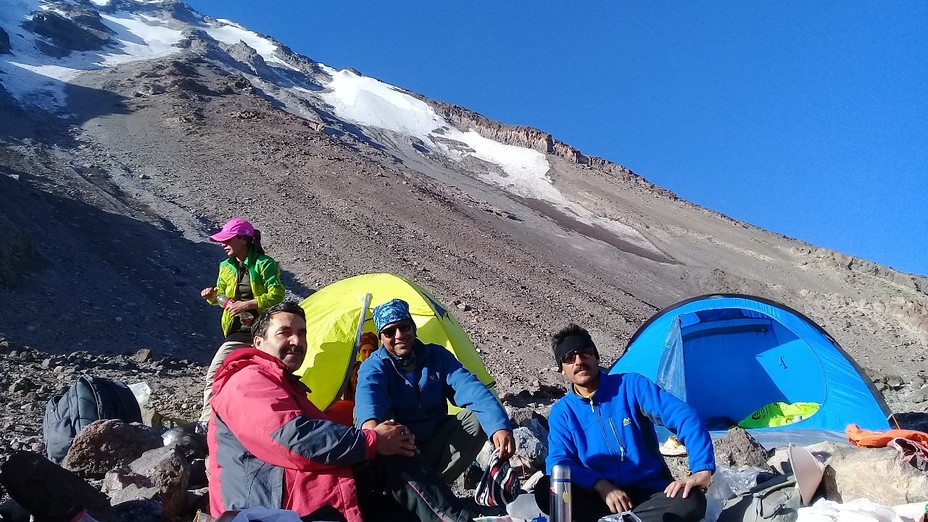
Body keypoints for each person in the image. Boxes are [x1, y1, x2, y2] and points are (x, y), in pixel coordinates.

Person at [207, 302, 482, 522]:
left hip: (297, 488)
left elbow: (470, 387)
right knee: (390, 461)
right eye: (285, 333)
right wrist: (373, 439)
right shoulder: (247, 380)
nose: (297, 340)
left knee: (395, 504)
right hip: (268, 504)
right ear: (258, 343)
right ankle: (455, 517)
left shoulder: (282, 383)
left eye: (302, 333)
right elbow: (293, 439)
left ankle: (447, 510)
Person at [535, 324, 715, 522]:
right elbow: (558, 462)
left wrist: (702, 469)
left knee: (692, 500)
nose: (579, 361)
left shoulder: (631, 386)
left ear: (596, 357)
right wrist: (600, 484)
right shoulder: (563, 412)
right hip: (600, 498)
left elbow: (684, 416)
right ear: (562, 370)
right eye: (569, 358)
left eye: (585, 353)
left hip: (650, 494)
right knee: (548, 488)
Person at [355, 298, 514, 483]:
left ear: (413, 328)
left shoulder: (436, 356)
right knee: (378, 425)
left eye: (404, 327)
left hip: (436, 443)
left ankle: (435, 488)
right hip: (400, 449)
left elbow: (470, 387)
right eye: (389, 332)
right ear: (381, 338)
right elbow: (369, 395)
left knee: (478, 418)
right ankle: (403, 490)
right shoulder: (375, 365)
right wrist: (372, 433)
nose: (399, 335)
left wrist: (499, 427)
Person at [199, 217, 285, 422]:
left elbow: (278, 294)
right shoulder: (225, 267)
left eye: (228, 240)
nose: (223, 244)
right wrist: (212, 296)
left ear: (243, 239)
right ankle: (206, 423)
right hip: (237, 332)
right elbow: (223, 298)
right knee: (217, 374)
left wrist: (248, 304)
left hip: (264, 331)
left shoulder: (265, 264)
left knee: (269, 380)